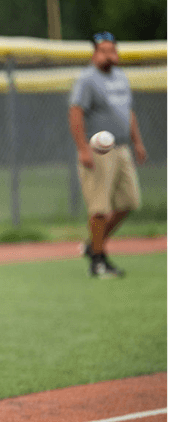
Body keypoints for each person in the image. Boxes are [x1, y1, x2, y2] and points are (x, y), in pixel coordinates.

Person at [68, 31, 148, 279]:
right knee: (100, 208)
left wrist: (138, 142)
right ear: (95, 53)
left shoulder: (120, 77)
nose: (110, 55)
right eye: (104, 50)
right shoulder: (87, 79)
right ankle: (99, 262)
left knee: (129, 202)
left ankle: (94, 245)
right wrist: (83, 149)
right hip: (98, 150)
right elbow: (76, 113)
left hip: (122, 148)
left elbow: (128, 112)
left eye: (112, 50)